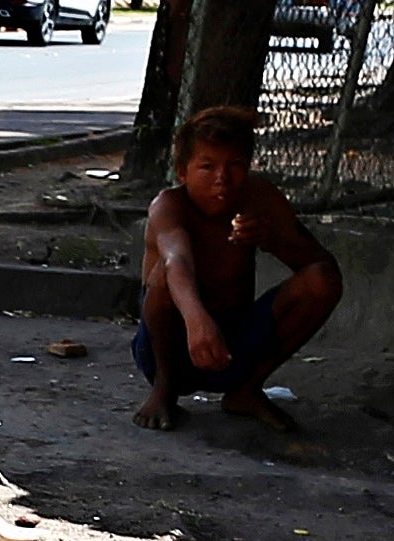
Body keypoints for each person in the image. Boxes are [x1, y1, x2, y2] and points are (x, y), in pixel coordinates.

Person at [134, 104, 344, 434]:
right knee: (164, 275)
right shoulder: (169, 206)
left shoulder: (260, 199)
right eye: (207, 166)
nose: (223, 178)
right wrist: (197, 320)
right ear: (182, 172)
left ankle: (246, 389)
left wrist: (272, 239)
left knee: (323, 282)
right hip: (169, 346)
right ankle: (164, 390)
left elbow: (322, 265)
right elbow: (177, 261)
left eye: (235, 165)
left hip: (234, 344)